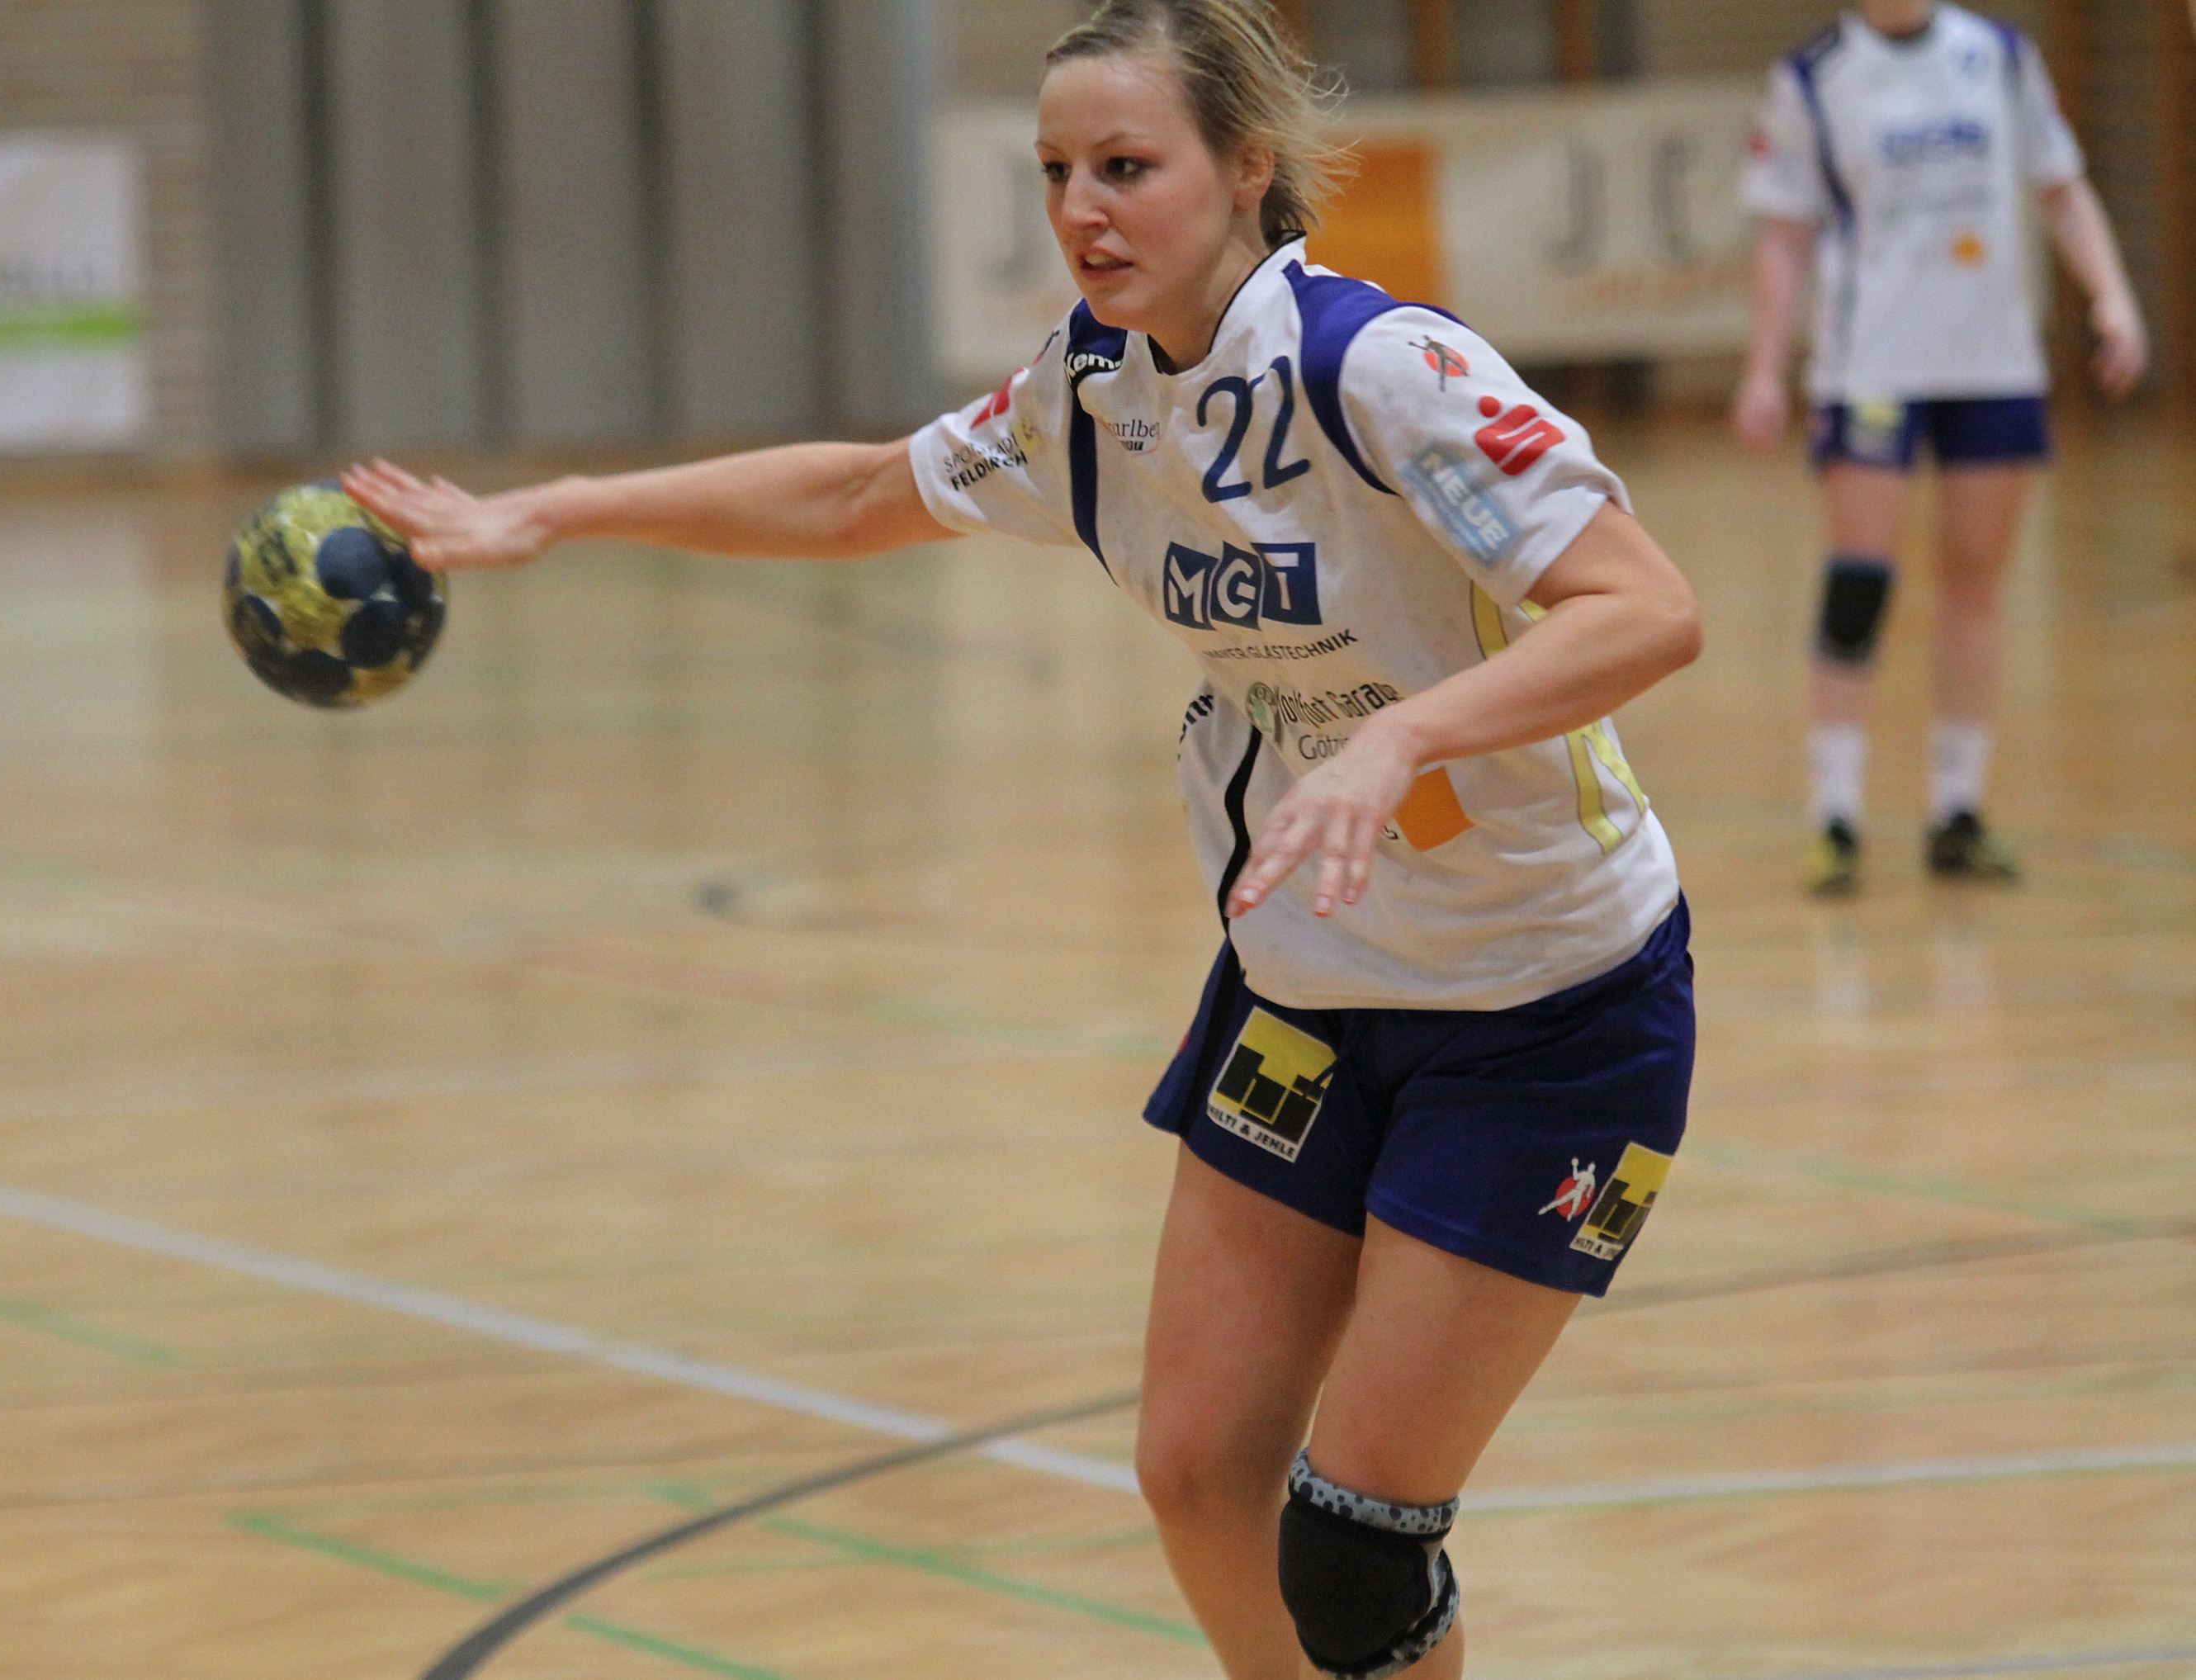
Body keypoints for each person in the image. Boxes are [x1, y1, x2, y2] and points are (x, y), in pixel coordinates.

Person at [343, 3, 1701, 1676]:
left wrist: (1403, 735)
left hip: (1542, 1005)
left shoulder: (1380, 372)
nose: (1080, 209)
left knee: (1351, 1550)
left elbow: (1644, 609)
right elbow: (857, 494)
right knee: (1194, 1474)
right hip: (1309, 982)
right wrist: (551, 512)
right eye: (1056, 170)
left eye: (1124, 166)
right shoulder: (1095, 391)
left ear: (1245, 169)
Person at [1731, 0, 2146, 894]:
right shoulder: (1814, 77)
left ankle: (1958, 810)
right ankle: (1835, 815)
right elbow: (1785, 238)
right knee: (1859, 583)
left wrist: (2112, 296)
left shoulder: (1999, 56)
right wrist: (1765, 370)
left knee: (1974, 582)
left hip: (1991, 361)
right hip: (1871, 366)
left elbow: (2060, 187)